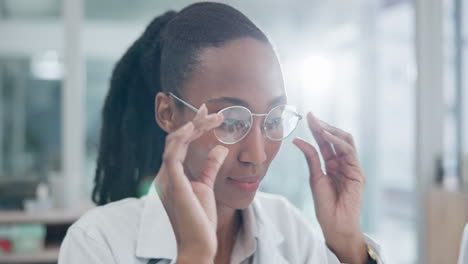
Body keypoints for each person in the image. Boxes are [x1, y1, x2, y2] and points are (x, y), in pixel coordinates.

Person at [58, 2, 383, 263]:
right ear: (167, 114)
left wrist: (349, 244)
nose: (256, 155)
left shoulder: (289, 228)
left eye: (272, 119)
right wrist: (196, 255)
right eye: (230, 121)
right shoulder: (97, 244)